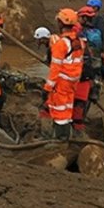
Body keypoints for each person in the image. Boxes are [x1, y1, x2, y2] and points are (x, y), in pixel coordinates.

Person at [44, 9, 84, 140]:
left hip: (62, 82)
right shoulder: (79, 42)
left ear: (61, 23)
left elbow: (55, 68)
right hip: (73, 82)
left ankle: (61, 139)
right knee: (67, 109)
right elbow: (79, 63)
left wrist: (48, 87)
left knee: (59, 111)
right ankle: (66, 136)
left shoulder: (61, 44)